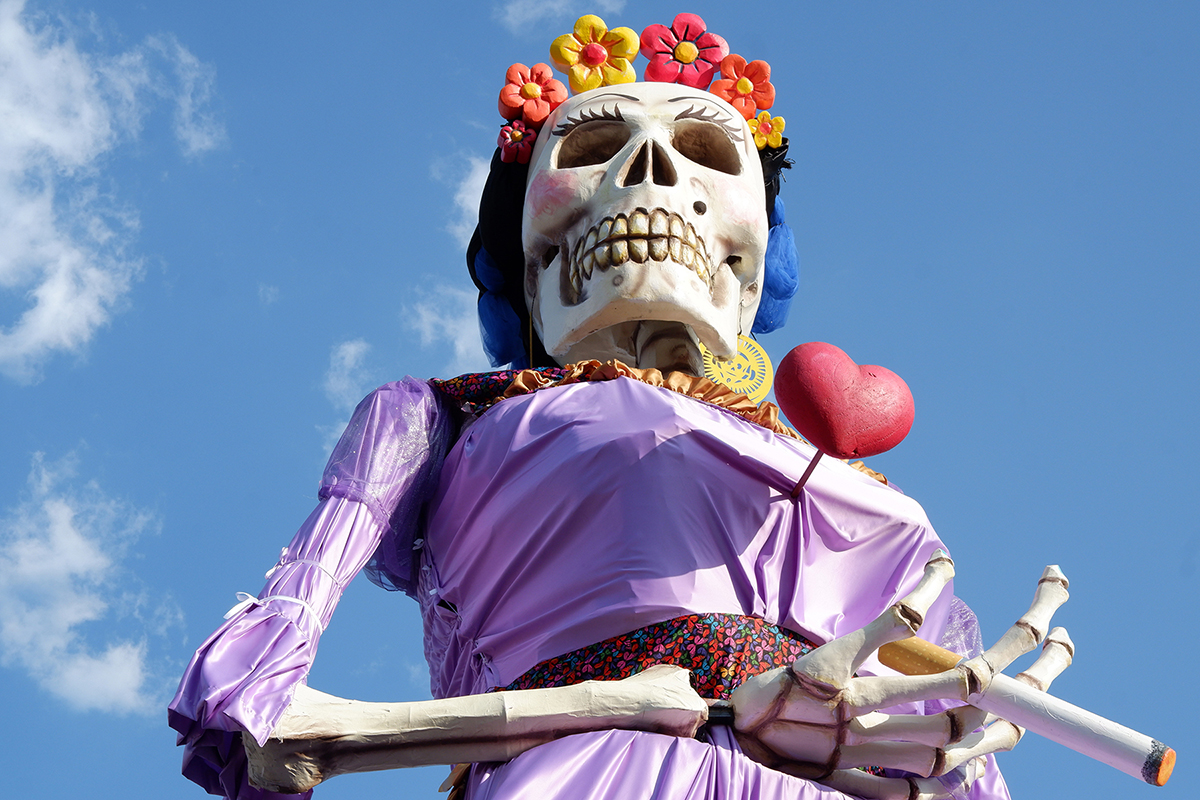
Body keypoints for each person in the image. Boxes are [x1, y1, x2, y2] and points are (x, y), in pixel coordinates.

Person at [170, 14, 1016, 800]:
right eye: (598, 145)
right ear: (531, 267)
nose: (650, 172)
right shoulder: (443, 414)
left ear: (754, 267)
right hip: (597, 767)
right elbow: (270, 696)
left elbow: (962, 738)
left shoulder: (858, 482)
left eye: (704, 154)